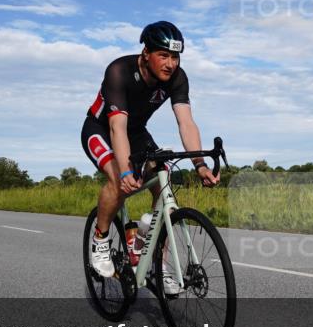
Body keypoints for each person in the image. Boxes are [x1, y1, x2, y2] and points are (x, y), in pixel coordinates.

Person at [81, 21, 219, 294]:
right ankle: (100, 239)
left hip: (136, 132)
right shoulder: (119, 71)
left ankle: (157, 262)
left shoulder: (178, 78)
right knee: (118, 181)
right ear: (146, 53)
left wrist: (200, 165)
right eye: (163, 55)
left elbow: (186, 122)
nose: (170, 63)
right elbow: (117, 127)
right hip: (101, 129)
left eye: (175, 56)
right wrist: (125, 171)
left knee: (163, 181)